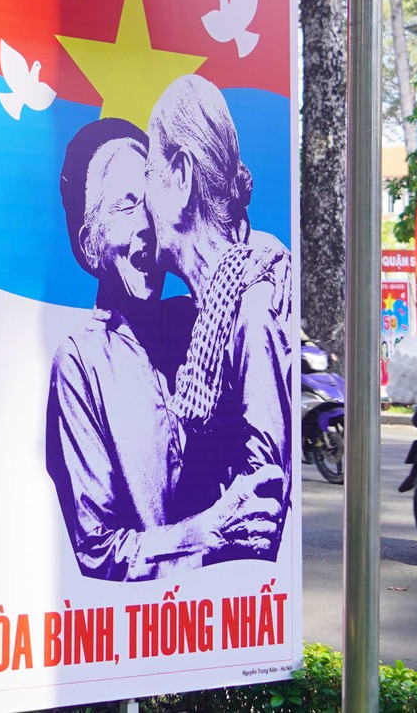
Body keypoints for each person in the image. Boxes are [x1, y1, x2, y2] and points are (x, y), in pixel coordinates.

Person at [44, 118, 283, 582]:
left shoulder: (200, 316)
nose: (146, 226)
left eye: (148, 201)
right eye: (124, 206)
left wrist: (269, 263)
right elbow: (98, 548)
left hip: (226, 611)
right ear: (88, 244)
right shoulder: (80, 362)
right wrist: (208, 533)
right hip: (141, 629)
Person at [143, 75, 295, 561]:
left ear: (181, 177)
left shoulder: (250, 310)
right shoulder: (213, 308)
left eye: (150, 171)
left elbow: (260, 503)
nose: (144, 201)